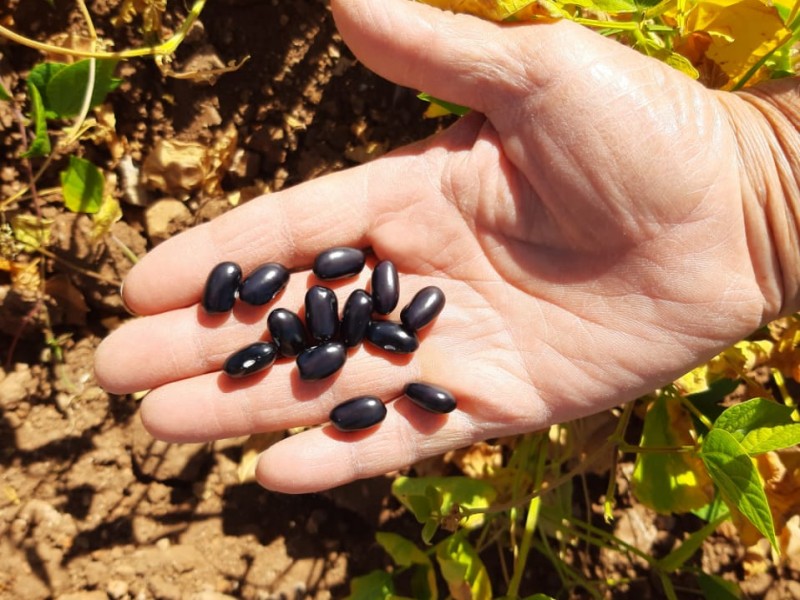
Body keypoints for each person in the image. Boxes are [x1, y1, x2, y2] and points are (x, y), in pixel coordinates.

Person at [94, 0, 800, 494]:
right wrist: (767, 187)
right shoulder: (359, 323)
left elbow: (342, 343)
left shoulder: (365, 322)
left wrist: (765, 191)